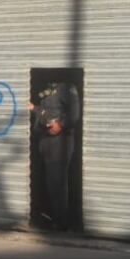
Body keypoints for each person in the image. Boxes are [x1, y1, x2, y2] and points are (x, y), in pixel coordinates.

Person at [29, 82, 81, 231]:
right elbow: (45, 113)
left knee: (58, 183)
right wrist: (34, 109)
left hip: (60, 143)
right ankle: (55, 219)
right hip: (46, 142)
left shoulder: (66, 89)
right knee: (51, 183)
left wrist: (62, 125)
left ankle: (62, 222)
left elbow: (75, 113)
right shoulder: (48, 90)